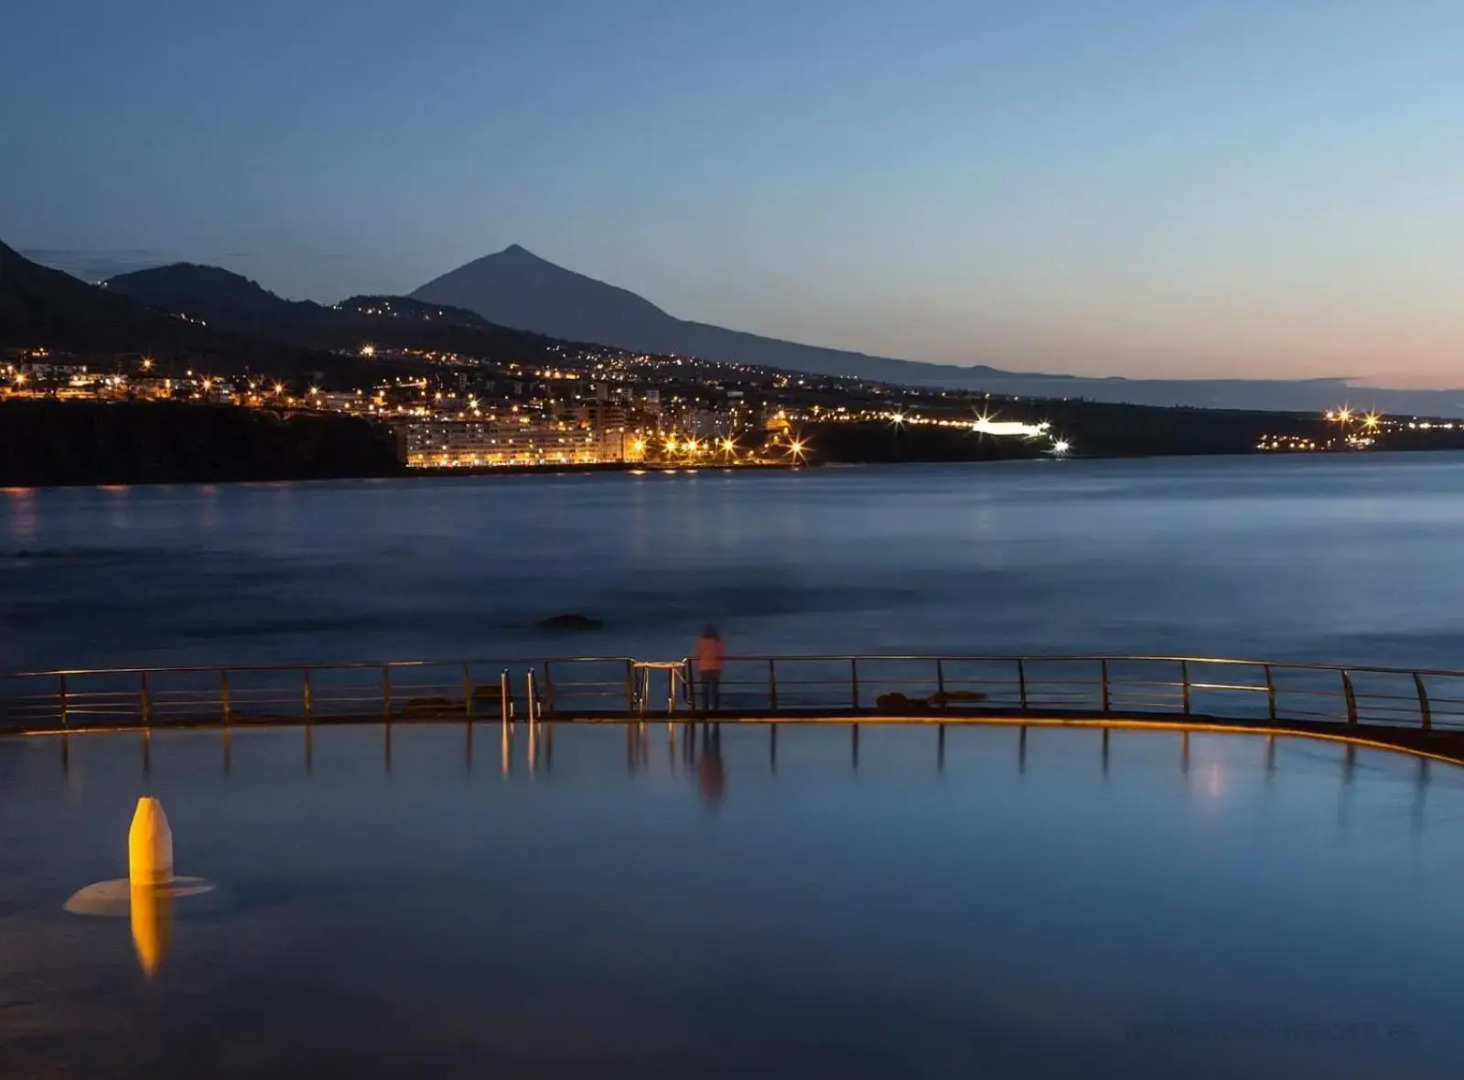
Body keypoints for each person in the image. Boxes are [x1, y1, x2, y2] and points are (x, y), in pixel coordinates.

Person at [694, 625, 725, 713]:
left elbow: (698, 653)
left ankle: (705, 707)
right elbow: (721, 653)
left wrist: (697, 665)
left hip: (703, 667)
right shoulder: (718, 641)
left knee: (705, 688)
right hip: (715, 667)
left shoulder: (700, 641)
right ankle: (715, 707)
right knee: (715, 689)